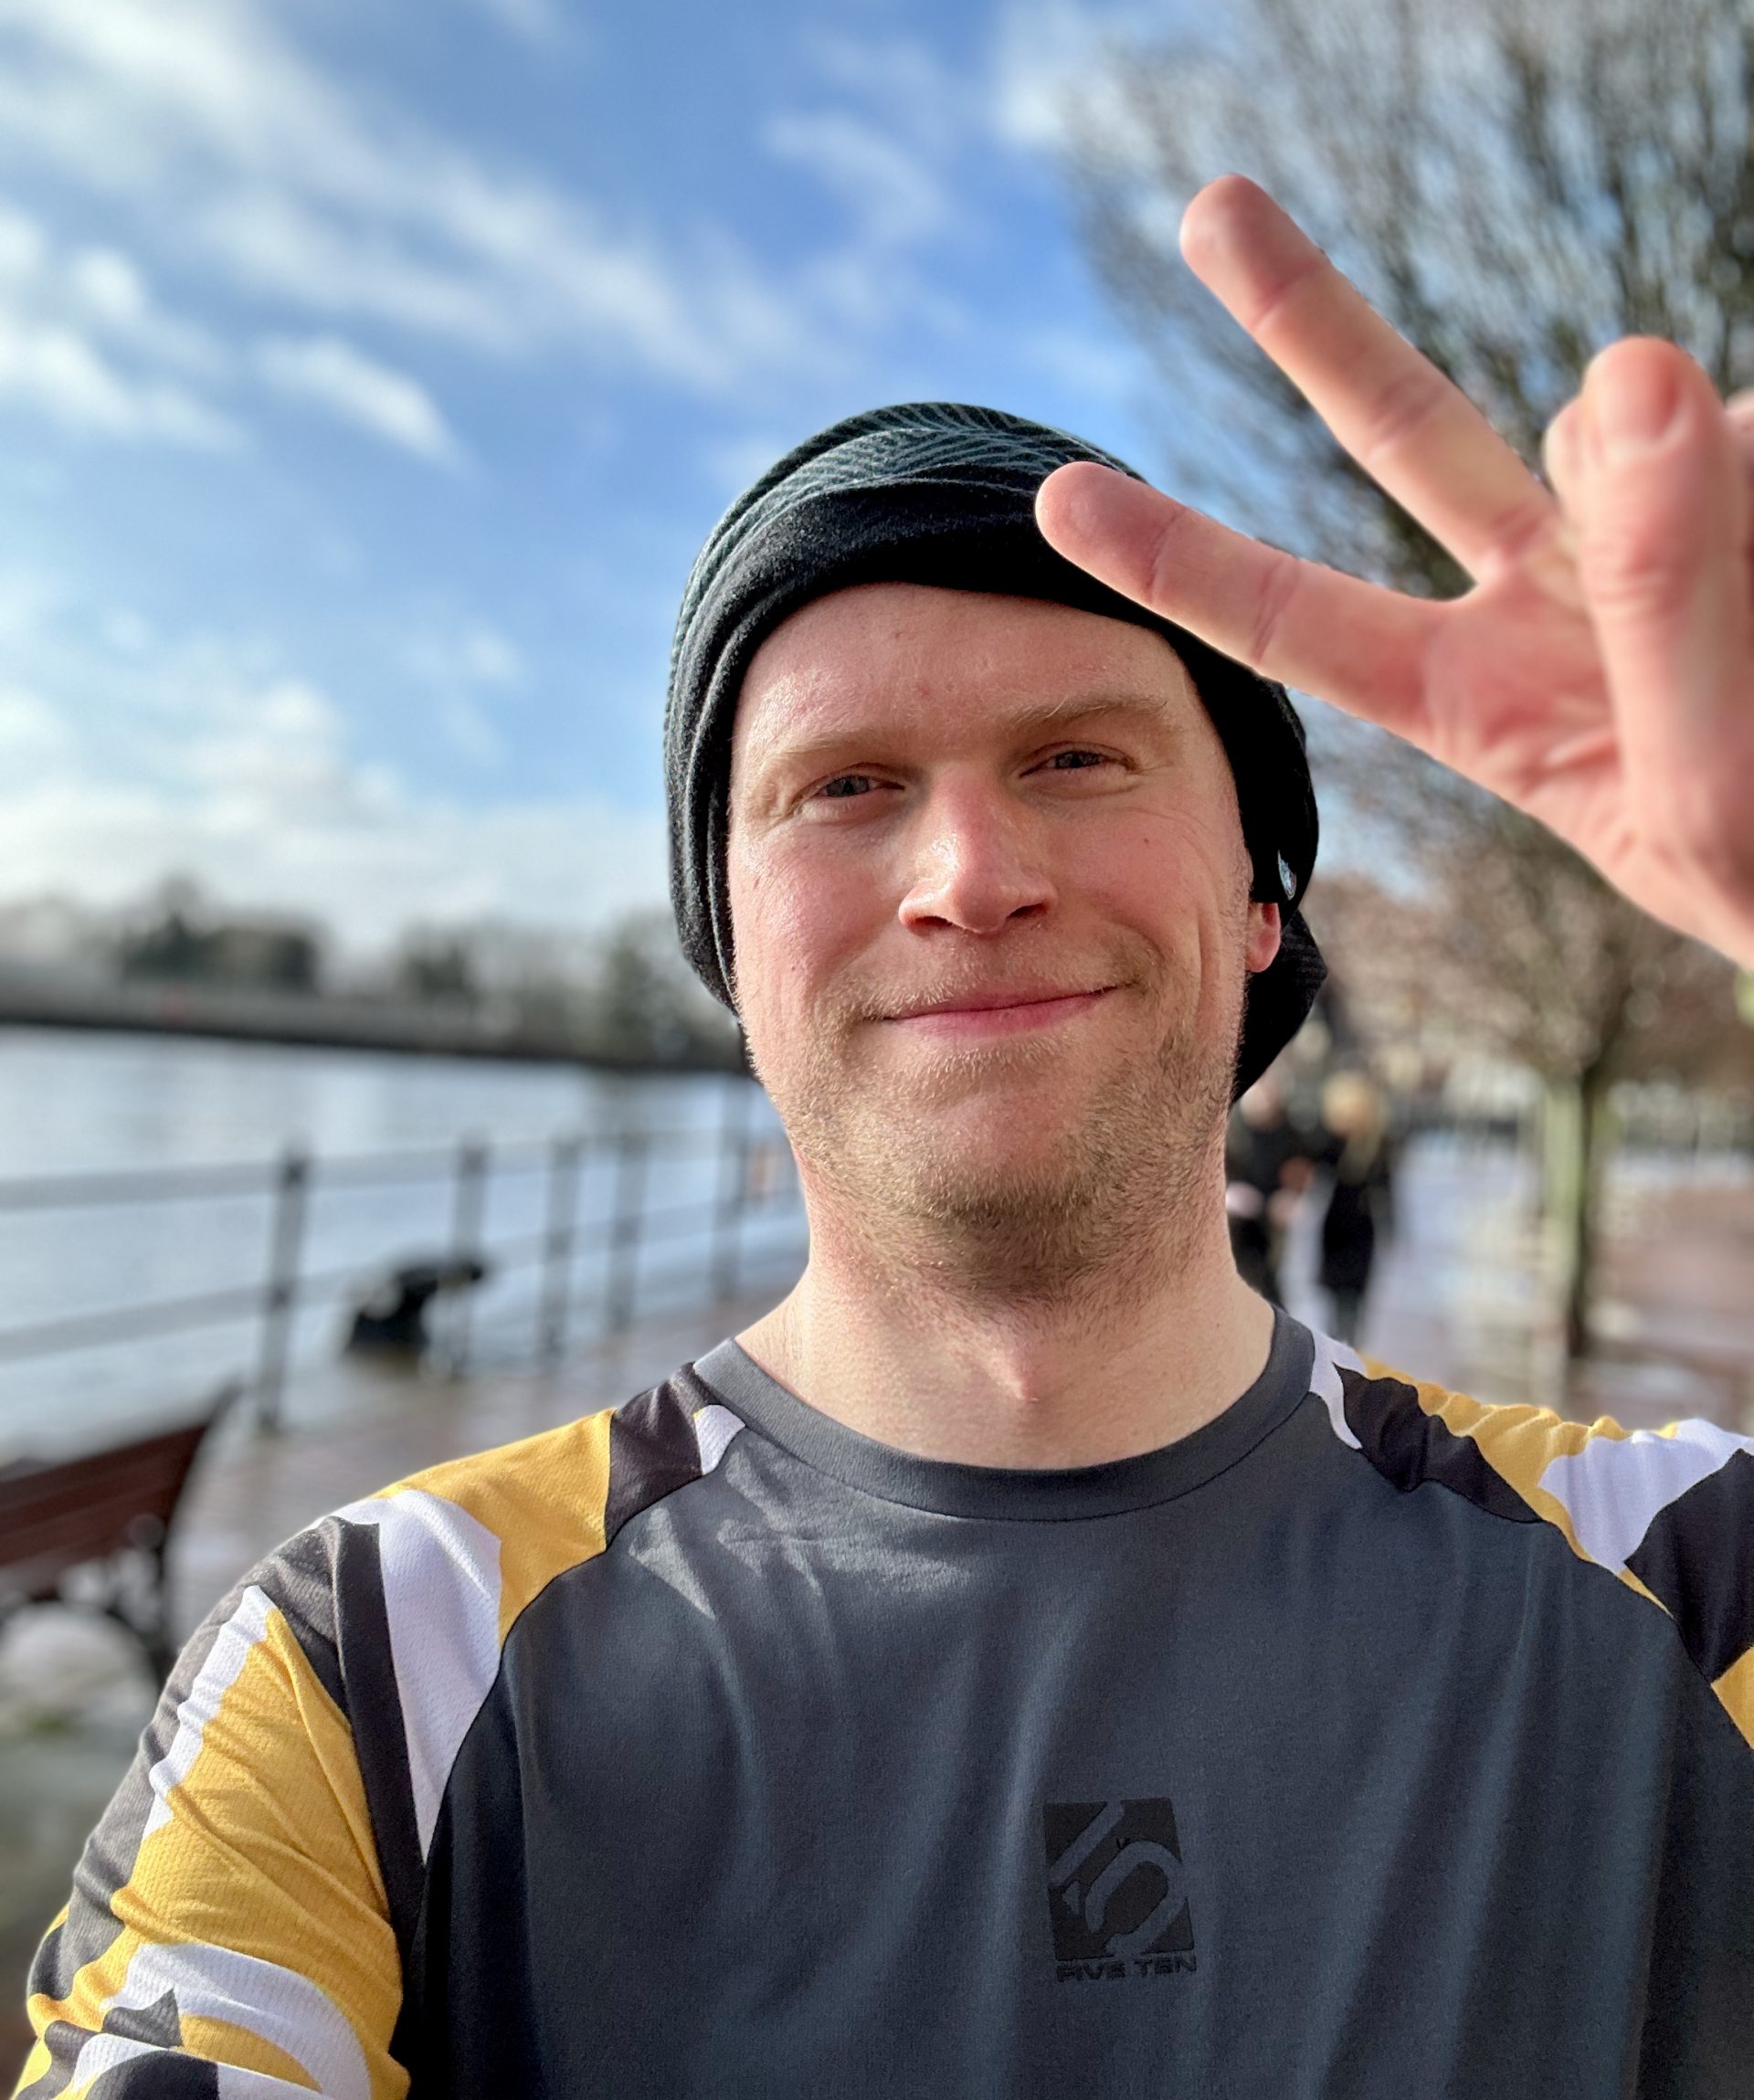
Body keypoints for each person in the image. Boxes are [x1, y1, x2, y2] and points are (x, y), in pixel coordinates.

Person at [16, 179, 1754, 2097]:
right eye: (845, 787)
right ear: (732, 948)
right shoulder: (375, 1667)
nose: (969, 876)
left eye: (1076, 757)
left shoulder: (1688, 1583)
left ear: (1263, 899)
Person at [1313, 1068, 1395, 1342]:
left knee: (1354, 1298)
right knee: (1334, 1297)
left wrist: (1392, 1225)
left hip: (1361, 1229)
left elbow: (1386, 1188)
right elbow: (1314, 1171)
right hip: (1335, 1227)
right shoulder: (1330, 1142)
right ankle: (1337, 1342)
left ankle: (1351, 1343)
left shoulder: (1376, 1145)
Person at [1223, 1066, 1312, 1303]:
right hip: (1236, 1218)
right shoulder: (1233, 1127)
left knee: (1269, 1276)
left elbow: (1300, 1168)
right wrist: (1230, 1193)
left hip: (1271, 1216)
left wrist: (1291, 1195)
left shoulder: (1290, 1131)